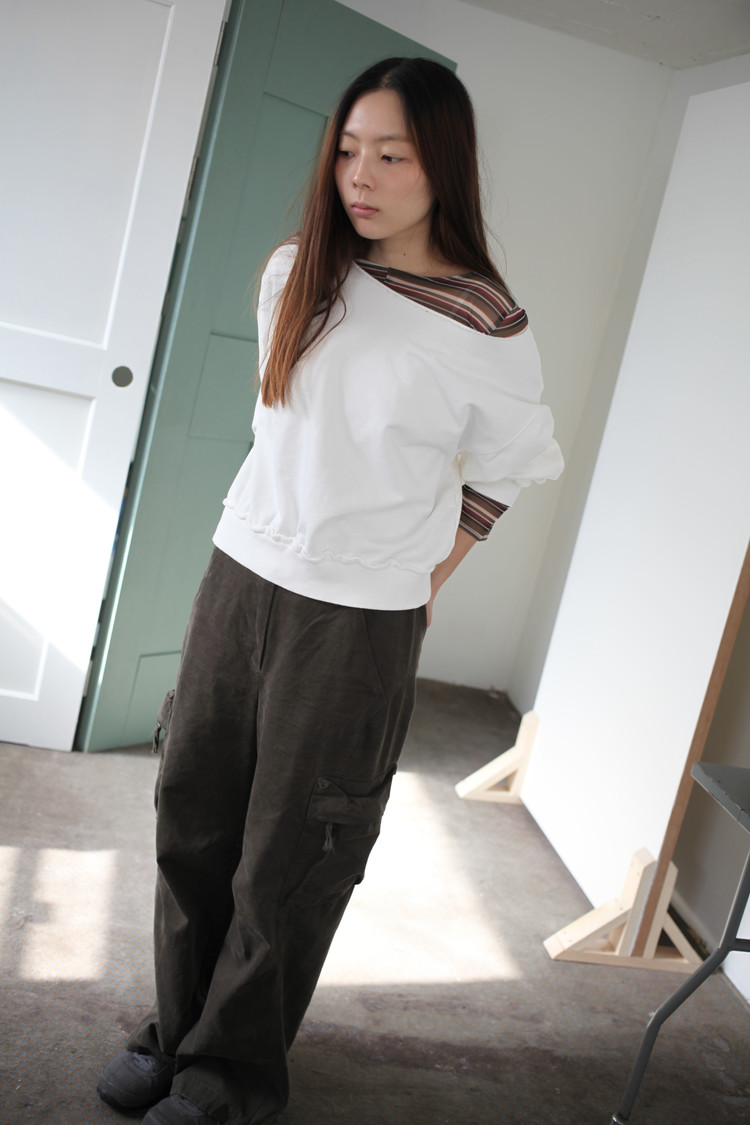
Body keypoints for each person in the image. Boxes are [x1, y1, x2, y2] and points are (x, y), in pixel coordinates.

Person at [96, 56, 563, 1125]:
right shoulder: (296, 270)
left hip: (358, 619)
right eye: (349, 149)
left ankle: (230, 1074)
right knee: (192, 814)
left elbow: (507, 468)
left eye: (392, 154)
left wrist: (432, 571)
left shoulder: (487, 325)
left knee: (296, 850)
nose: (362, 174)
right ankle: (175, 1032)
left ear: (442, 164)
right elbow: (287, 433)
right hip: (241, 574)